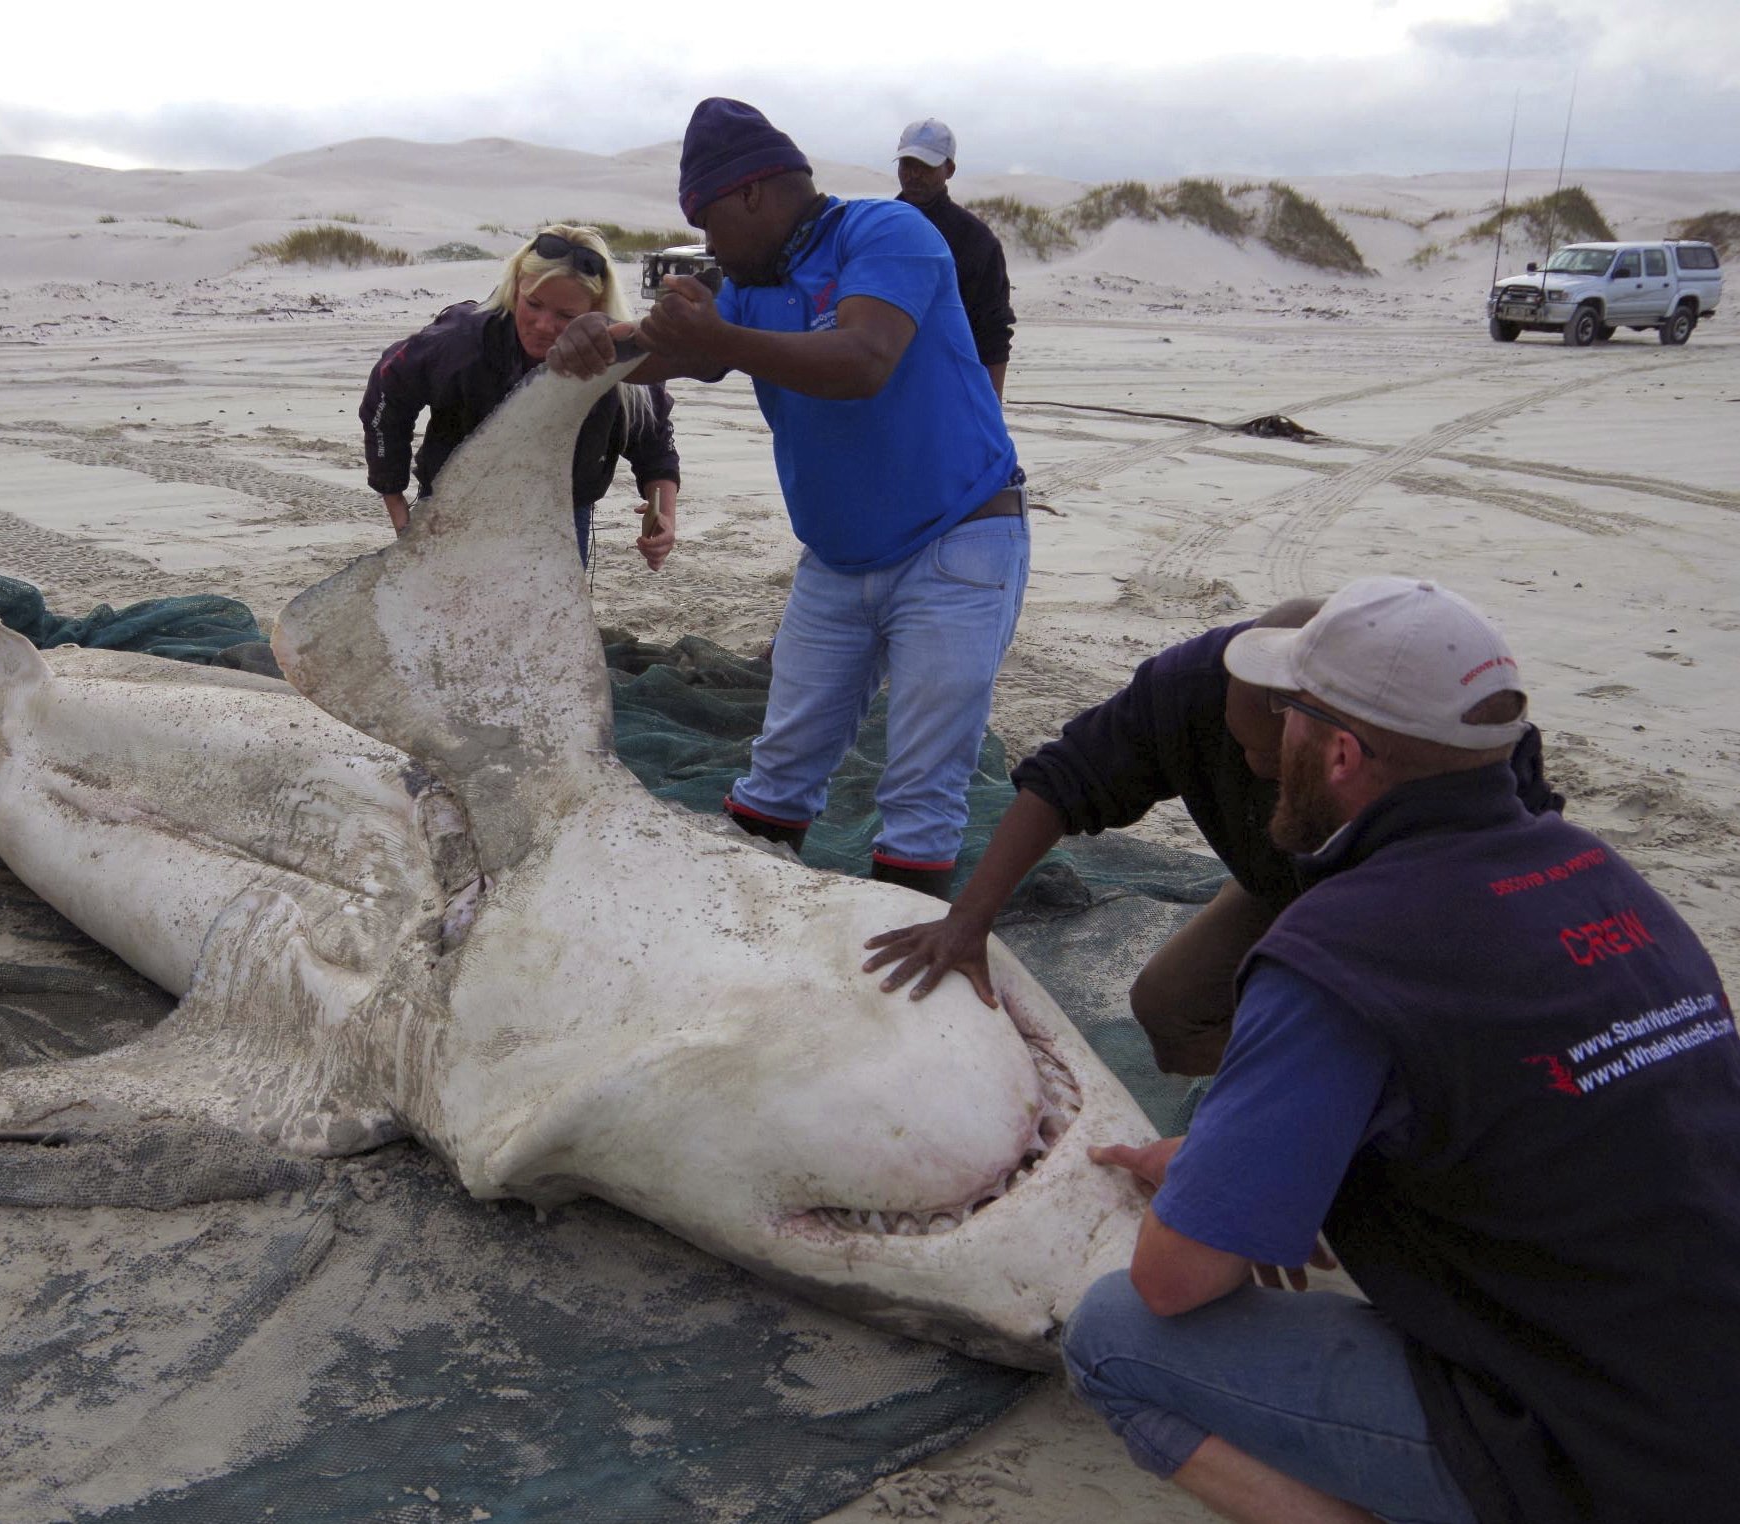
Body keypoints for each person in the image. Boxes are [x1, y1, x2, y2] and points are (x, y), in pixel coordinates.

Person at [1060, 576, 1740, 1524]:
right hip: (1700, 1372)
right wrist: (1229, 1166)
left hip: (1606, 1449)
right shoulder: (1598, 876)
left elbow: (1173, 1284)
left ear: (1338, 753)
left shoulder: (1341, 949)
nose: (1268, 745)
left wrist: (1210, 1205)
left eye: (1289, 716)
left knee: (1113, 1334)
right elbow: (1544, 1127)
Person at [549, 99, 1027, 895]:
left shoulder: (886, 231)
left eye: (707, 223)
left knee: (921, 790)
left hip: (957, 541)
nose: (708, 246)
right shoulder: (751, 284)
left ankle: (902, 951)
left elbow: (863, 359)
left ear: (750, 194)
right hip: (836, 561)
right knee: (776, 774)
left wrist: (718, 338)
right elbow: (665, 355)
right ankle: (748, 929)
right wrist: (592, 344)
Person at [860, 596, 1562, 1075]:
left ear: (1341, 738)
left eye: (1276, 764)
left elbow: (1513, 896)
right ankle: (1258, 1106)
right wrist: (969, 919)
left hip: (1428, 915)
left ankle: (1333, 1124)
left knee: (1396, 1056)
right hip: (1279, 880)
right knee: (1169, 1006)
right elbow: (1063, 779)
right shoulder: (1189, 685)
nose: (1255, 771)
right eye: (1243, 749)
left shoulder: (1446, 739)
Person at [361, 224, 679, 568]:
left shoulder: (619, 361)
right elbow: (387, 389)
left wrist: (663, 516)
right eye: (533, 304)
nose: (543, 325)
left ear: (596, 307)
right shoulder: (459, 341)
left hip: (559, 515)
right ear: (516, 287)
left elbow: (654, 444)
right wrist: (397, 506)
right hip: (453, 509)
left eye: (566, 315)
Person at [893, 119, 1015, 401]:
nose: (914, 174)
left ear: (949, 169)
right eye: (907, 164)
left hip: (948, 386)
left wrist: (990, 408)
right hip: (881, 384)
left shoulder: (976, 240)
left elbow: (993, 333)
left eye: (926, 165)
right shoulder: (874, 227)